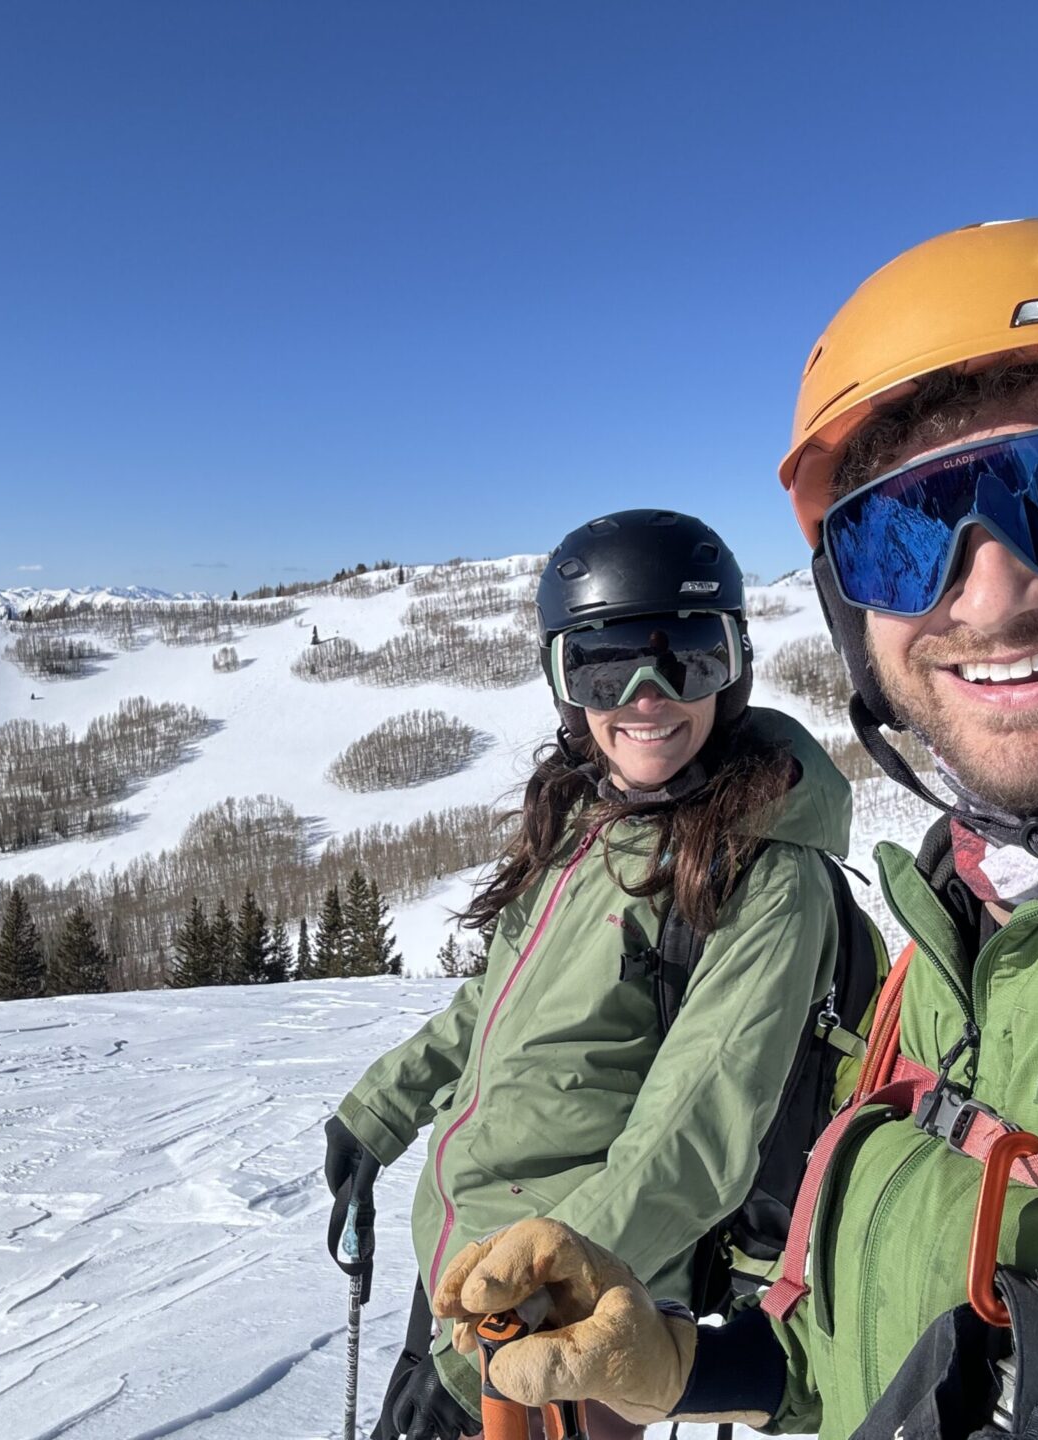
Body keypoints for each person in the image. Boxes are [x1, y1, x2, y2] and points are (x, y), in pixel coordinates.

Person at [431, 219, 1038, 1438]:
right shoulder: (942, 969)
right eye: (904, 536)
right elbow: (875, 1345)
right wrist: (688, 1366)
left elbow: (696, 1122)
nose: (991, 594)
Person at [323, 510, 857, 1439]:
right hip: (469, 1261)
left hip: (569, 1316)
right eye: (606, 668)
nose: (646, 699)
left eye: (688, 660)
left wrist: (514, 1329)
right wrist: (381, 1111)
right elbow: (495, 1001)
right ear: (565, 685)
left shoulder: (764, 873)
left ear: (734, 669)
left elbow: (695, 1137)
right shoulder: (587, 818)